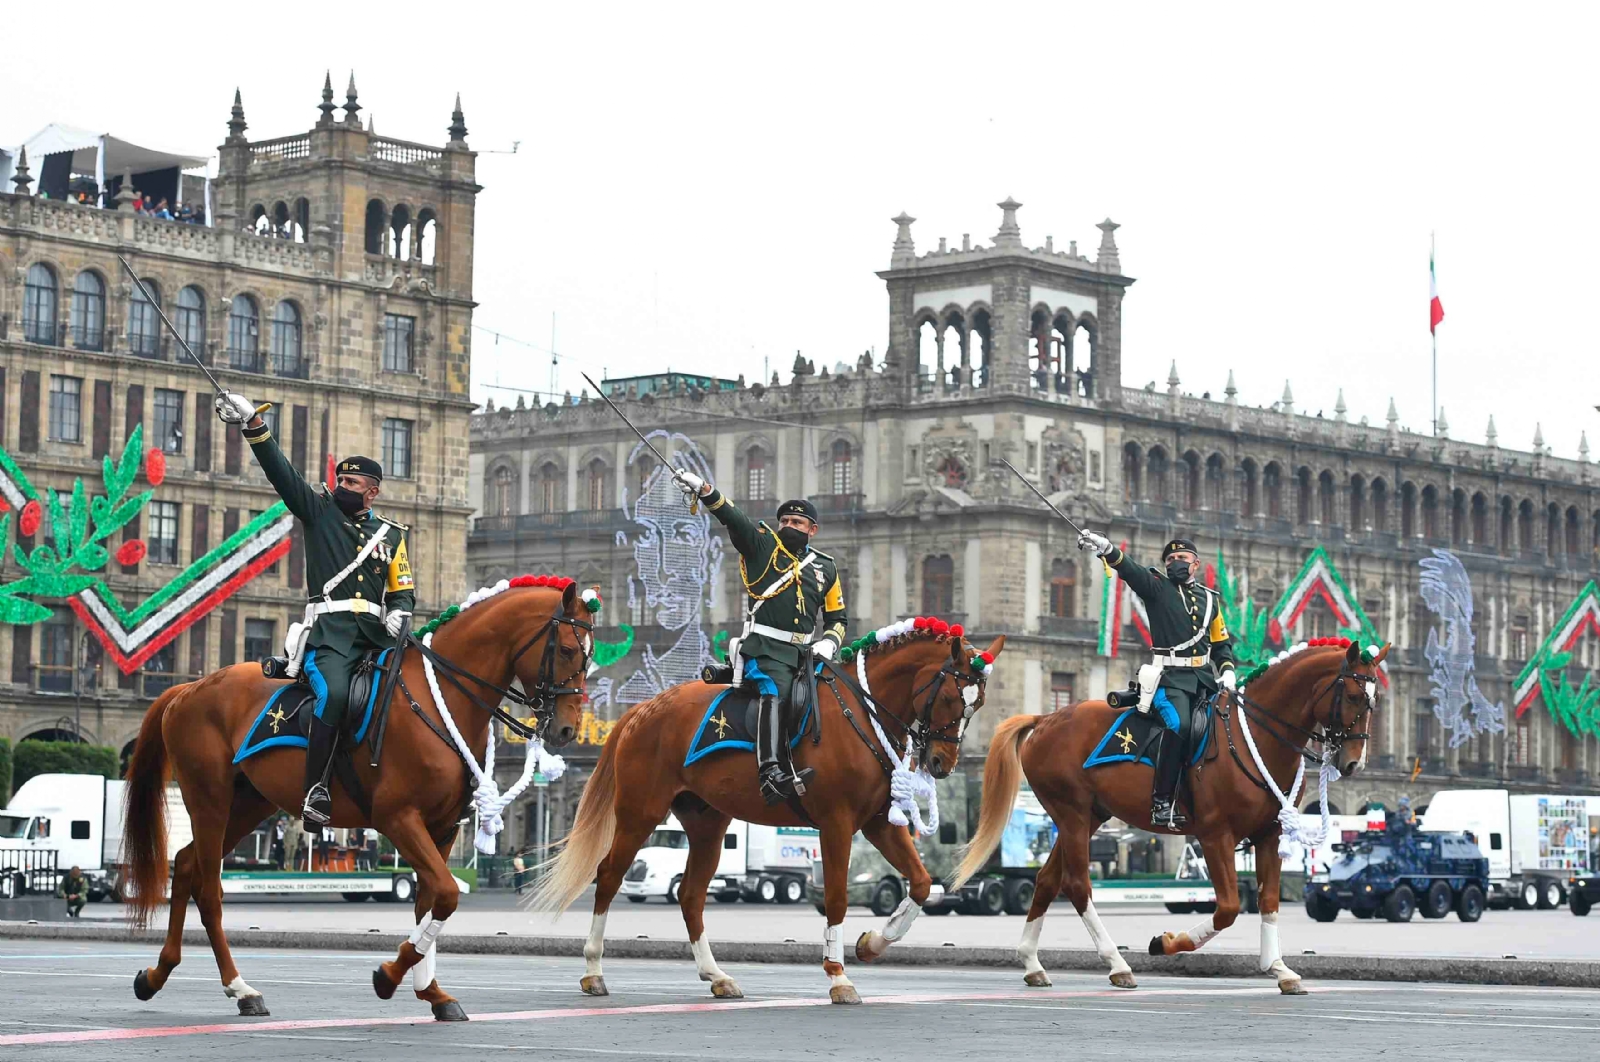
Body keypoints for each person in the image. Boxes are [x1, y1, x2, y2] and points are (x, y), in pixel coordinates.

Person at [217, 391, 415, 826]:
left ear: (372, 491)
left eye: (352, 484)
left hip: (377, 636)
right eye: (340, 481)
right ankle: (316, 789)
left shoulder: (392, 535)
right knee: (336, 694)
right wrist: (254, 426)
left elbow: (402, 587)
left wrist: (401, 610)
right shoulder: (320, 513)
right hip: (332, 636)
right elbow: (283, 477)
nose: (342, 487)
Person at [671, 469, 846, 805]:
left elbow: (838, 617)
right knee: (776, 691)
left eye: (798, 523)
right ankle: (771, 774)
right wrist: (707, 491)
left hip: (805, 654)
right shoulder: (762, 546)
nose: (790, 527)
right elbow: (735, 520)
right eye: (786, 521)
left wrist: (830, 641)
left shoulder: (826, 567)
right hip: (764, 650)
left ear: (813, 530)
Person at [1077, 532, 1235, 831]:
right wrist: (1108, 549)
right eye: (1170, 559)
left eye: (1182, 559)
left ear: (1195, 564)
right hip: (1169, 680)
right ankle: (1162, 801)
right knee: (1179, 726)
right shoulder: (1157, 588)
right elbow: (1131, 570)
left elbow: (1221, 644)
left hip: (1204, 680)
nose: (1176, 563)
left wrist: (1226, 669)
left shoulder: (1211, 601)